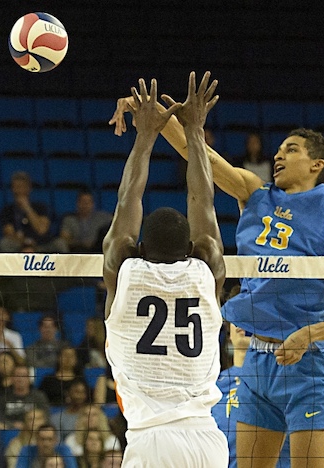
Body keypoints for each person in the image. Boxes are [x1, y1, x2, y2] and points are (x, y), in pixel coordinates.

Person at [111, 74, 324, 468]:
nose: (279, 155)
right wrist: (148, 113)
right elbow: (194, 149)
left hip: (305, 363)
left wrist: (309, 335)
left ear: (316, 165)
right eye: (280, 149)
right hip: (255, 359)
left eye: (291, 150)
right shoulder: (254, 192)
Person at [103, 74, 228, 467]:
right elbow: (203, 201)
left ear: (139, 249)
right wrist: (195, 130)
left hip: (150, 441)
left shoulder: (125, 271)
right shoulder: (206, 270)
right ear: (191, 250)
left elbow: (128, 200)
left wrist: (145, 136)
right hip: (207, 440)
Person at [214, 322, 324, 467]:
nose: (243, 325)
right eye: (240, 319)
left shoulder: (286, 380)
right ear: (228, 335)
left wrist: (288, 412)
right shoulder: (214, 386)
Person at [0, 171, 57, 253]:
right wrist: (26, 242)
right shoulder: (7, 211)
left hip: (40, 245)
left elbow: (41, 230)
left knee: (59, 244)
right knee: (4, 243)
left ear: (29, 188)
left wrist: (27, 208)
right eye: (16, 187)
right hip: (19, 245)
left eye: (22, 187)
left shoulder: (41, 207)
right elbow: (9, 233)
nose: (18, 191)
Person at [0, 365, 50, 430]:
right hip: (10, 430)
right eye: (17, 376)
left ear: (29, 379)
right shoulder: (3, 398)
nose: (20, 379)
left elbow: (46, 418)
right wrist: (13, 425)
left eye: (24, 376)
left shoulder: (39, 397)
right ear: (11, 378)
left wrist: (27, 425)